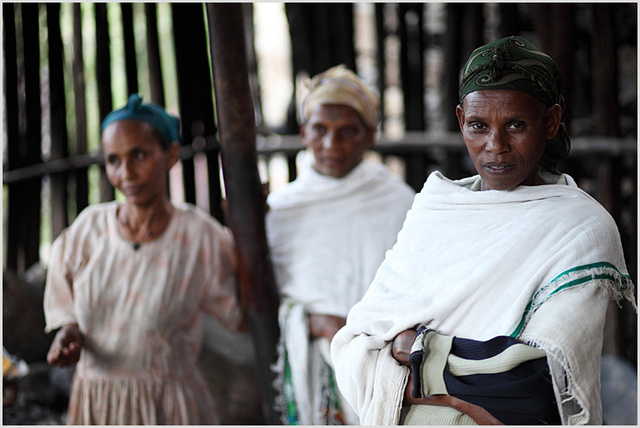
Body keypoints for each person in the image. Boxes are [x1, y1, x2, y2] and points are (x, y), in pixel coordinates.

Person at [330, 36, 636, 425]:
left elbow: (534, 384)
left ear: (551, 122)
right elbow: (357, 345)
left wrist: (420, 351)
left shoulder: (580, 229)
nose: (495, 145)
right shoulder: (437, 209)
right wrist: (456, 370)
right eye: (478, 125)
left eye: (516, 125)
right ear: (460, 121)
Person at [43, 94, 245, 425]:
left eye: (139, 155)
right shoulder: (88, 230)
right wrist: (68, 330)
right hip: (97, 402)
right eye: (114, 160)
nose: (126, 173)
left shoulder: (199, 237)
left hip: (170, 404)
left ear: (171, 155)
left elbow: (238, 315)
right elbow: (63, 297)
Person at [266, 65, 415, 425]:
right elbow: (261, 299)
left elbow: (418, 292)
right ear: (303, 132)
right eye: (320, 129)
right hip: (314, 377)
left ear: (370, 135)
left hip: (384, 372)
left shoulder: (401, 203)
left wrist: (356, 333)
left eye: (347, 131)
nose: (331, 144)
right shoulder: (281, 210)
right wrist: (312, 323)